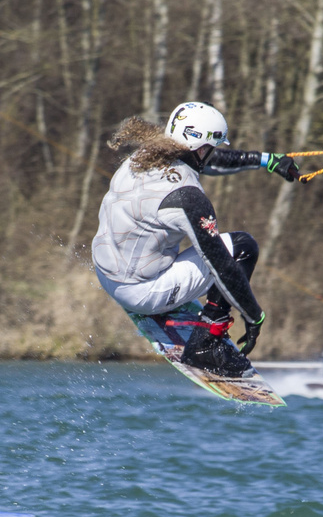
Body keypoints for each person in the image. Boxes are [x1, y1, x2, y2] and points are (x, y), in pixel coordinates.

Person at [92, 101, 302, 376]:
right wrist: (254, 316)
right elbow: (222, 266)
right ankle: (206, 345)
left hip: (106, 272)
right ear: (202, 147)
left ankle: (173, 300)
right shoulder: (187, 198)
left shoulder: (143, 157)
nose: (213, 154)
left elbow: (208, 161)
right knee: (241, 247)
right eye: (212, 148)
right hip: (141, 292)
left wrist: (266, 160)